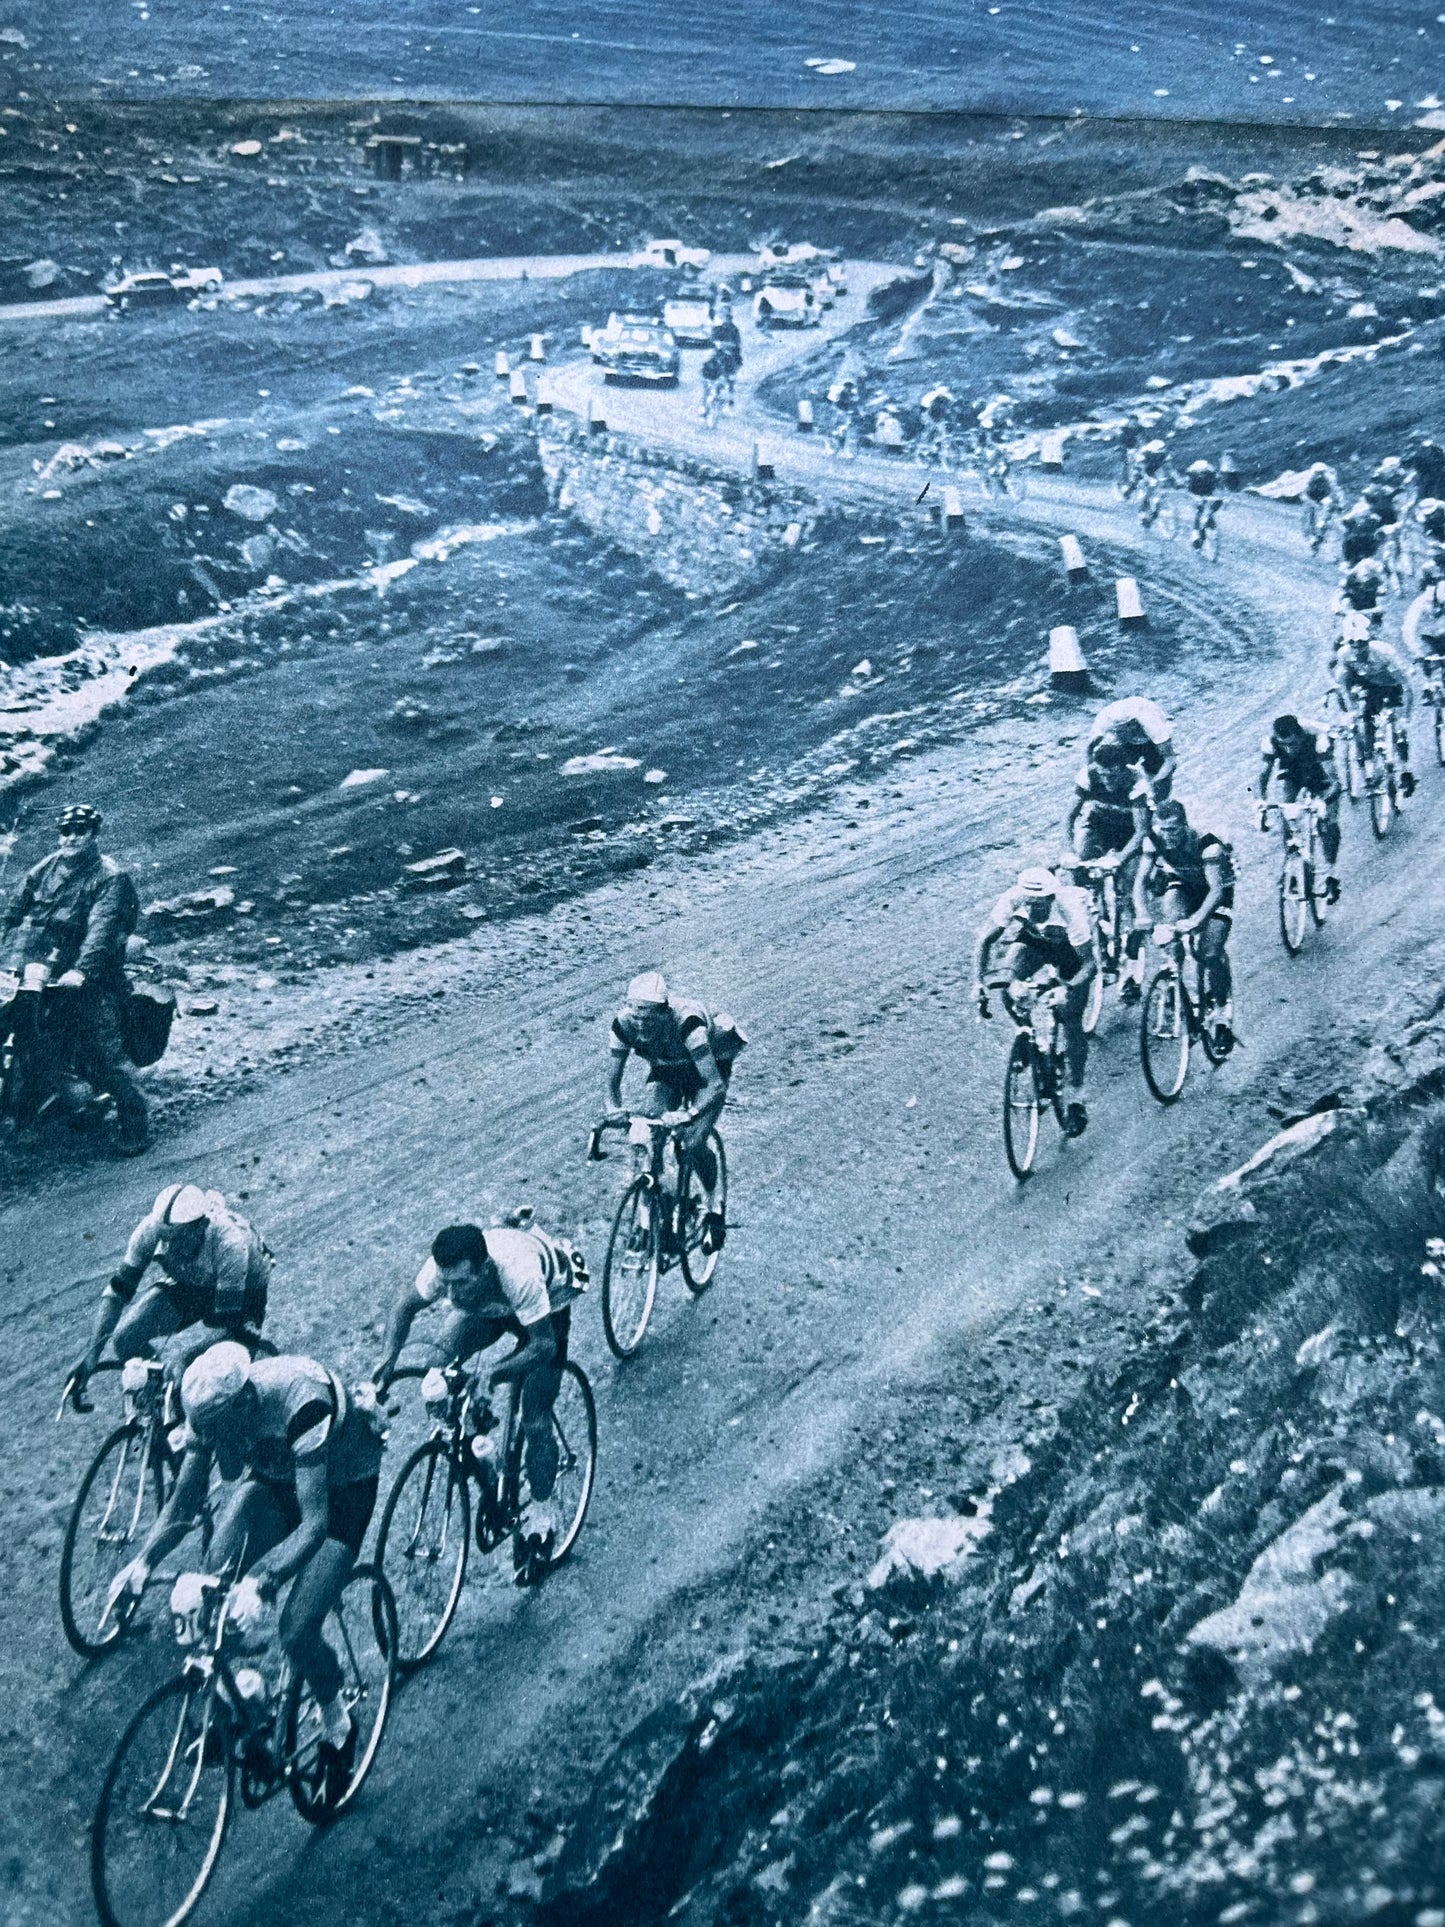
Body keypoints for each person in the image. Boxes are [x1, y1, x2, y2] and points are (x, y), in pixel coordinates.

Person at [107, 1343, 386, 1795]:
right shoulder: (212, 1416)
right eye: (207, 1436)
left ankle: (339, 1723)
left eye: (220, 1434)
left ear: (246, 1403)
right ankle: (244, 1698)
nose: (213, 1447)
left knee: (296, 1628)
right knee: (213, 1574)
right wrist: (141, 1563)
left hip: (341, 1488)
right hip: (279, 1476)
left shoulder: (301, 1402)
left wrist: (263, 1581)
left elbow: (314, 1525)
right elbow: (182, 1505)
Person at [373, 1220, 586, 1557]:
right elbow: (404, 1306)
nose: (452, 1294)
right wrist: (388, 1358)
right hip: (491, 1307)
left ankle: (543, 1513)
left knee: (535, 1419)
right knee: (437, 1362)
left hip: (546, 1310)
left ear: (484, 1269)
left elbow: (542, 1345)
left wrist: (493, 1374)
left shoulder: (518, 1273)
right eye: (447, 1284)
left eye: (461, 1283)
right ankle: (476, 1439)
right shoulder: (444, 1273)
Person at [0, 803, 147, 1152]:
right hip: (38, 969)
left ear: (93, 834)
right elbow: (12, 913)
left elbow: (101, 930)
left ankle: (134, 1120)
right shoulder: (45, 868)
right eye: (65, 831)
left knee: (102, 1049)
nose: (71, 837)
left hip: (91, 974)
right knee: (24, 1035)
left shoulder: (110, 876)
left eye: (79, 831)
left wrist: (81, 971)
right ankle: (34, 1112)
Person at [66, 1182, 272, 1404]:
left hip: (245, 1292)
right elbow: (117, 1292)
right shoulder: (149, 1231)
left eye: (178, 1239)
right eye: (163, 1238)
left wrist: (186, 1357)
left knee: (217, 1379)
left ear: (201, 1225)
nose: (168, 1248)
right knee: (125, 1340)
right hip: (191, 1283)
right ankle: (163, 1399)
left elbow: (228, 1326)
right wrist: (91, 1356)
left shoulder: (230, 1243)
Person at [606, 971, 745, 1230]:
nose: (641, 1026)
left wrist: (690, 1114)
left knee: (692, 1141)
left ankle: (713, 1206)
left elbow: (713, 1084)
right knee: (651, 1128)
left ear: (663, 1012)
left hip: (710, 1066)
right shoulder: (623, 1025)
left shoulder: (687, 1023)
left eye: (647, 1020)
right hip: (667, 1067)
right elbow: (612, 1083)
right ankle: (654, 1212)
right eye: (636, 1018)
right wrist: (613, 1109)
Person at [974, 866, 1097, 1138]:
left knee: (1070, 1015)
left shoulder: (1068, 910)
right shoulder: (1013, 898)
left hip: (1070, 952)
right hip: (1036, 942)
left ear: (1051, 899)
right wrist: (978, 984)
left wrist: (1069, 987)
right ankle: (1032, 1042)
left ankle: (1076, 1094)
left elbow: (1090, 966)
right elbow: (985, 940)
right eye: (1027, 902)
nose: (1030, 909)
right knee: (1007, 980)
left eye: (1038, 905)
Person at [1132, 799, 1237, 1051]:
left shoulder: (1207, 844)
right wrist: (1141, 913)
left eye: (1174, 830)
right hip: (1183, 885)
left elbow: (1215, 892)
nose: (1167, 836)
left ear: (1185, 826)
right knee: (1170, 925)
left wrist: (1194, 921)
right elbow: (1140, 882)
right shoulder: (1153, 840)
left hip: (1216, 891)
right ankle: (1173, 978)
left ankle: (1222, 1013)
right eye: (1163, 829)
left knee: (1208, 954)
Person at [1064, 740, 1151, 1000]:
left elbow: (1142, 832)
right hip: (1098, 827)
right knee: (1079, 869)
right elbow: (1069, 817)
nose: (1107, 781)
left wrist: (1120, 859)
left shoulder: (1138, 783)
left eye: (1113, 775)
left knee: (1133, 886)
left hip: (1129, 834)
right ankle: (1091, 915)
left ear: (1124, 769)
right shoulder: (1089, 776)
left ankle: (1132, 968)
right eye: (1102, 775)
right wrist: (1069, 851)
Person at [1257, 715, 1343, 902]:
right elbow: (1262, 777)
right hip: (1292, 774)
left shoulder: (1319, 740)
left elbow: (1335, 783)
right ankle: (1294, 870)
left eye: (1293, 743)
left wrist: (1323, 801)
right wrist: (1259, 802)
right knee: (1287, 815)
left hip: (1320, 775)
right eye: (1284, 744)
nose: (1288, 749)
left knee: (1329, 823)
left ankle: (1330, 872)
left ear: (1301, 735)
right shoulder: (1272, 743)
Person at [1333, 628, 1417, 798]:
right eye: (1352, 644)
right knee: (1366, 723)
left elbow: (1407, 688)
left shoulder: (1384, 653)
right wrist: (1352, 711)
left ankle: (1405, 771)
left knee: (1400, 731)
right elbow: (1344, 687)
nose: (1357, 649)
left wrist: (1405, 717)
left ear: (1368, 643)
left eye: (1361, 644)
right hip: (1371, 687)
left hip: (1394, 686)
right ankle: (1370, 767)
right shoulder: (1344, 654)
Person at [1087, 695, 1177, 802]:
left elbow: (1170, 758)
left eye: (1121, 731)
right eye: (1116, 731)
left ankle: (1159, 802)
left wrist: (1156, 781)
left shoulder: (1152, 722)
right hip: (1125, 734)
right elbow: (1090, 749)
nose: (1118, 733)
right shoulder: (1103, 723)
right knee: (1115, 769)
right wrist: (1092, 771)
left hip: (1149, 738)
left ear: (1132, 725)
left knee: (1159, 777)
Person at [1339, 499, 1383, 569]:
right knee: (1348, 541)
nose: (1362, 520)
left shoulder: (1372, 521)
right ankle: (1351, 562)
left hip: (1367, 543)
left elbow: (1378, 524)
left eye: (1364, 517)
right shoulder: (1351, 522)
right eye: (1360, 517)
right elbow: (1344, 522)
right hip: (1355, 543)